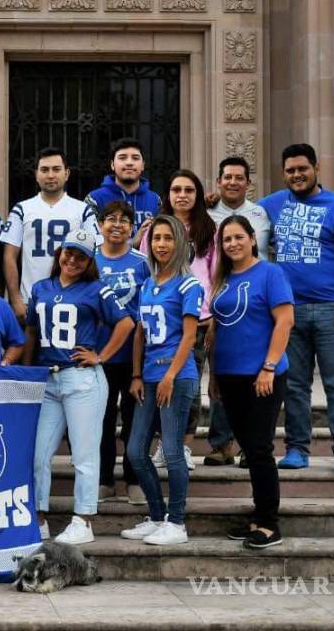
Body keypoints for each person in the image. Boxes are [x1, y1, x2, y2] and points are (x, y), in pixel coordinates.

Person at [261, 143, 334, 474]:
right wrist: (212, 201)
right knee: (294, 385)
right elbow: (241, 214)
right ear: (284, 174)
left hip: (332, 311)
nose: (296, 175)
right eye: (290, 170)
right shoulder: (273, 205)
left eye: (302, 169)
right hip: (289, 313)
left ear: (316, 168)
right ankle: (296, 449)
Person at [24, 229, 134, 544]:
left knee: (84, 454)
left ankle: (84, 520)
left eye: (81, 256)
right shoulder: (41, 287)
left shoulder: (96, 290)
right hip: (47, 378)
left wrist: (102, 356)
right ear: (60, 253)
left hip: (81, 377)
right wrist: (30, 371)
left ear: (89, 261)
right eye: (69, 252)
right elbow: (32, 331)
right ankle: (38, 518)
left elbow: (126, 323)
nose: (72, 260)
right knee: (38, 454)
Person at [207, 215, 294, 549]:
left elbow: (285, 321)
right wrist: (214, 376)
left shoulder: (271, 273)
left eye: (238, 237)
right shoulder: (224, 278)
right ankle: (257, 517)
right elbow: (215, 330)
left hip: (263, 376)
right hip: (229, 376)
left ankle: (270, 524)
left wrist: (269, 367)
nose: (232, 244)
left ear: (252, 239)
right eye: (226, 239)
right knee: (249, 447)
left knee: (259, 448)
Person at [120, 215, 203, 546]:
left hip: (176, 376)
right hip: (149, 376)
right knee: (135, 450)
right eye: (156, 239)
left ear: (179, 243)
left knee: (171, 450)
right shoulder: (147, 285)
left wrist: (170, 375)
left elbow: (189, 336)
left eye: (168, 238)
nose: (162, 244)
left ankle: (178, 522)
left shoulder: (189, 284)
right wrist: (137, 374)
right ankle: (157, 516)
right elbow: (140, 333)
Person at [141, 170, 217, 471]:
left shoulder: (209, 229)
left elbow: (215, 274)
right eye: (176, 189)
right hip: (160, 318)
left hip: (196, 319)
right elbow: (148, 269)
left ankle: (183, 445)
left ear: (197, 195)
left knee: (189, 384)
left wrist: (211, 314)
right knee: (158, 382)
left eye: (188, 189)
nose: (182, 195)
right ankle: (164, 442)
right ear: (168, 195)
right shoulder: (153, 230)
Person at [202, 156, 271, 466]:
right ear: (218, 182)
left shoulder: (261, 214)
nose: (232, 182)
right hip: (220, 294)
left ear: (248, 182)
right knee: (222, 370)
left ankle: (251, 444)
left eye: (238, 177)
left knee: (253, 372)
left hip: (257, 297)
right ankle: (221, 443)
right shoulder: (206, 212)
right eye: (227, 177)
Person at [1, 146, 100, 324]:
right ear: (36, 174)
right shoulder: (22, 209)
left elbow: (96, 252)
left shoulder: (82, 209)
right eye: (44, 170)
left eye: (56, 169)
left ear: (67, 173)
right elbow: (9, 256)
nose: (50, 175)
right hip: (30, 299)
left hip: (74, 299)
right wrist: (15, 299)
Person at [94, 200, 151, 505]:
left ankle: (133, 476)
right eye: (110, 219)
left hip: (133, 355)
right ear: (100, 225)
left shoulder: (142, 262)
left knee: (133, 419)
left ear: (132, 227)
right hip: (98, 354)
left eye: (123, 220)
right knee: (100, 420)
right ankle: (103, 478)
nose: (117, 225)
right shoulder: (89, 260)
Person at [84, 137, 162, 244]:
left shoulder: (155, 200)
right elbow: (90, 241)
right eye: (122, 158)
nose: (129, 163)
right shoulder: (95, 199)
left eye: (135, 158)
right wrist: (133, 243)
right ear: (112, 164)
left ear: (143, 165)